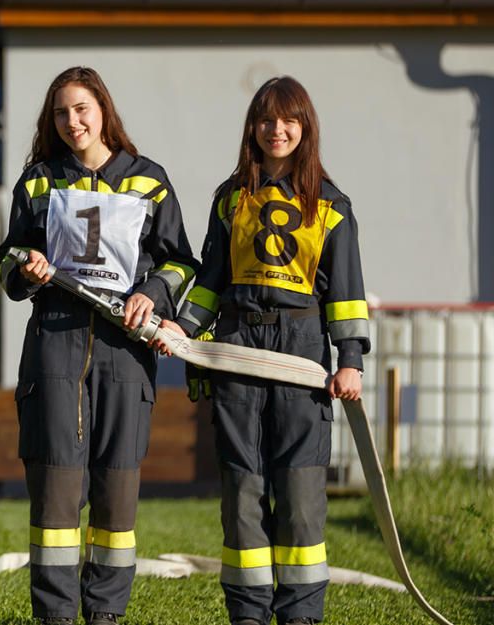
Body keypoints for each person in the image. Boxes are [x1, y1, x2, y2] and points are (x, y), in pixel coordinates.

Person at [162, 76, 369, 625]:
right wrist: (184, 328)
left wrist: (350, 359)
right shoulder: (230, 198)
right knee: (242, 493)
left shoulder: (332, 204)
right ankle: (248, 614)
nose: (277, 130)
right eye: (266, 120)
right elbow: (210, 279)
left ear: (305, 128)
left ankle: (299, 616)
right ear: (252, 127)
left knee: (300, 498)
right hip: (236, 347)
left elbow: (346, 291)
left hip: (300, 350)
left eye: (289, 120)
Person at [0, 66, 199, 625]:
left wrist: (153, 294)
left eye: (81, 108)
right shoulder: (38, 181)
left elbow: (182, 262)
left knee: (116, 489)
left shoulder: (149, 180)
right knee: (57, 491)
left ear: (103, 110)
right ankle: (56, 616)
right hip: (54, 346)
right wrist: (28, 269)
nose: (72, 121)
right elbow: (7, 262)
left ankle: (105, 613)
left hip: (124, 351)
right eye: (61, 112)